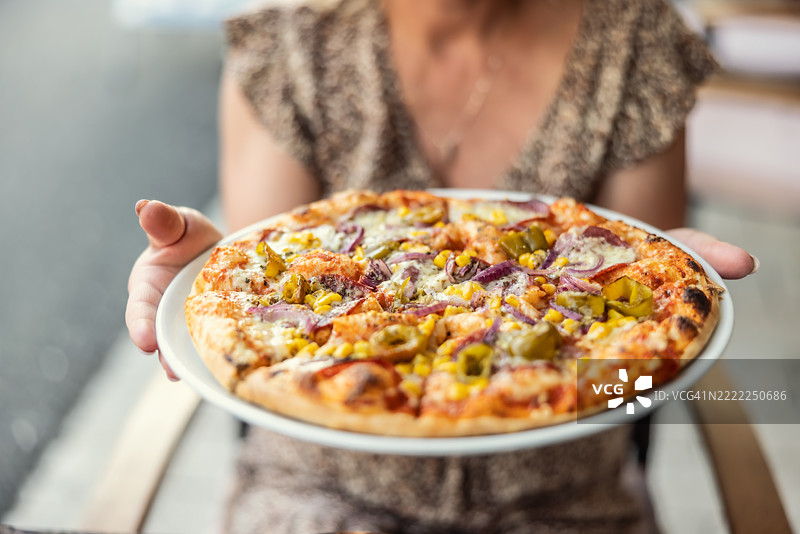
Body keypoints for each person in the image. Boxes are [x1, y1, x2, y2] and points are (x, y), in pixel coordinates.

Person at [126, 0, 758, 532]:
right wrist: (210, 269)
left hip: (566, 503)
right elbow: (261, 297)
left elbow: (630, 371)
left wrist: (641, 292)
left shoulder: (634, 43)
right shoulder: (289, 43)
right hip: (316, 496)